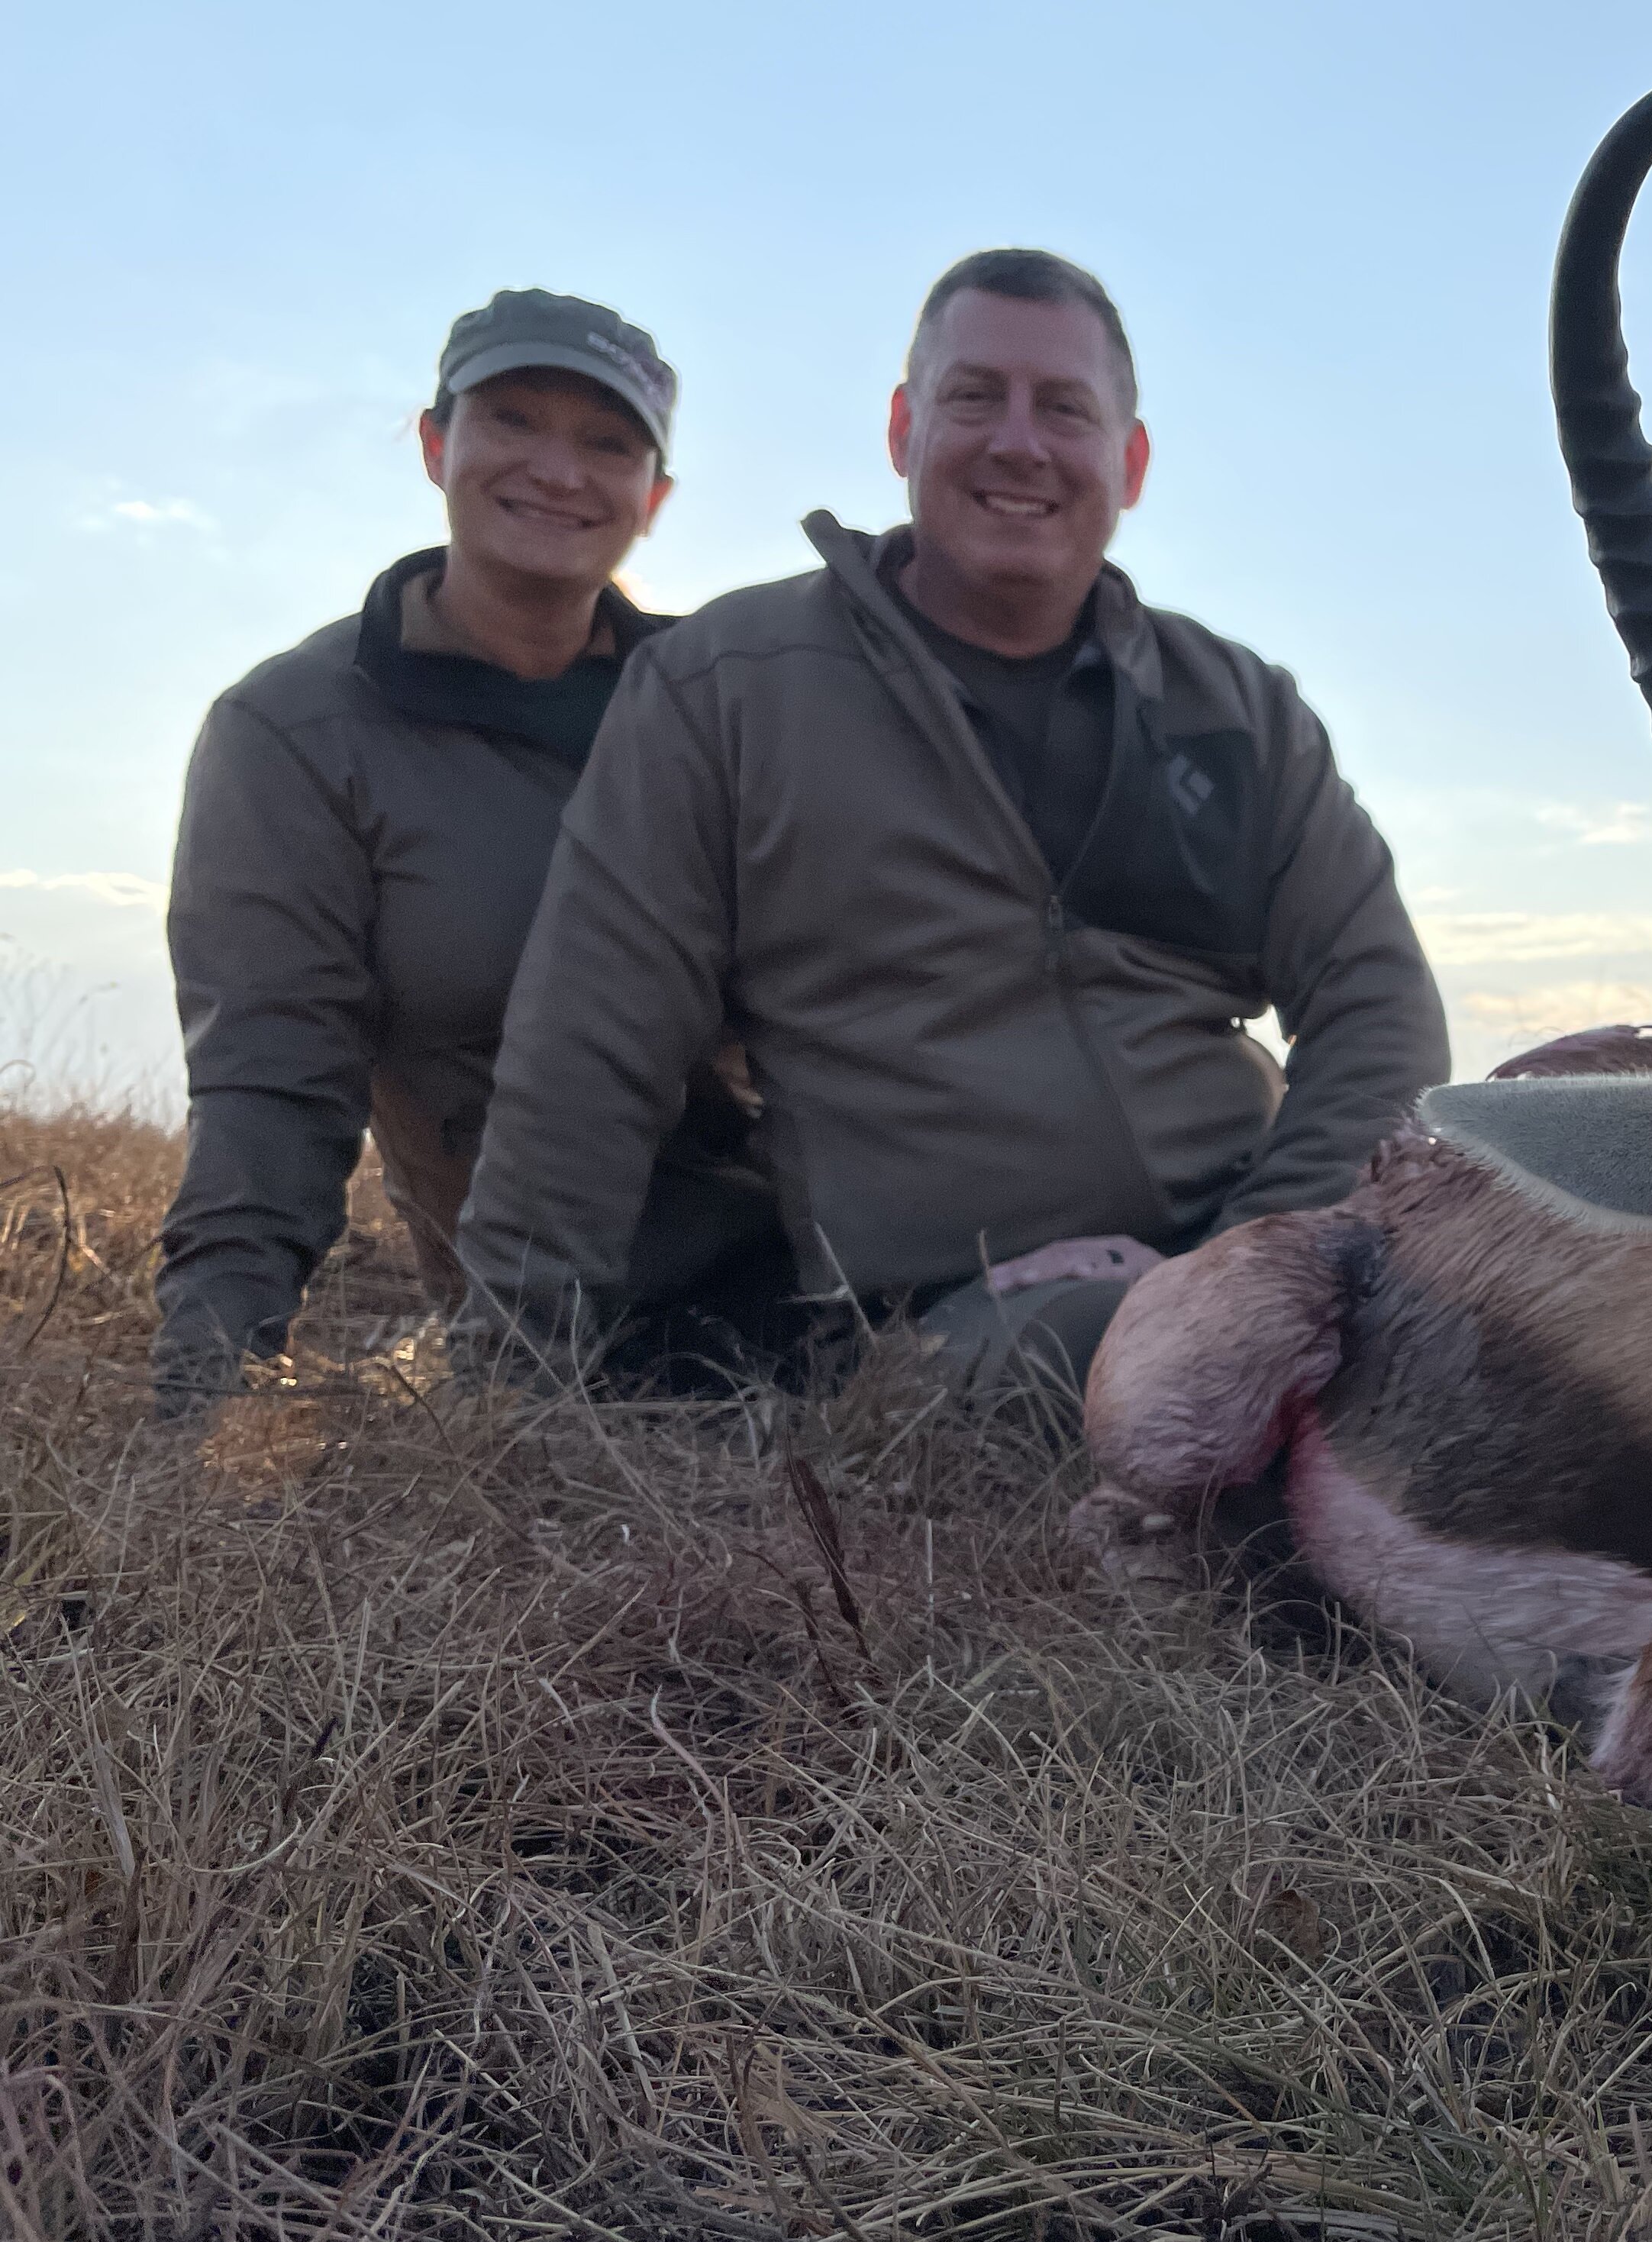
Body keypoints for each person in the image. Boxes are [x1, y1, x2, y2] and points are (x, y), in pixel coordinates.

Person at [454, 250, 1447, 1402]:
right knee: (1134, 1367)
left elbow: (1380, 1008)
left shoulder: (1237, 707)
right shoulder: (723, 689)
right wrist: (504, 1385)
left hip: (1258, 1263)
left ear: (1128, 461)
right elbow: (589, 1054)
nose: (1018, 443)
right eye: (975, 397)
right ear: (902, 429)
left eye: (1065, 409)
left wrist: (1250, 1260)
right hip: (952, 1322)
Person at [153, 291, 790, 1411]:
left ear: (657, 498)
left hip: (818, 1260)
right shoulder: (293, 735)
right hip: (559, 1329)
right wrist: (199, 1400)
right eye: (512, 421)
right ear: (436, 443)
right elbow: (270, 1084)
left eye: (608, 443)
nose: (558, 469)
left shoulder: (728, 706)